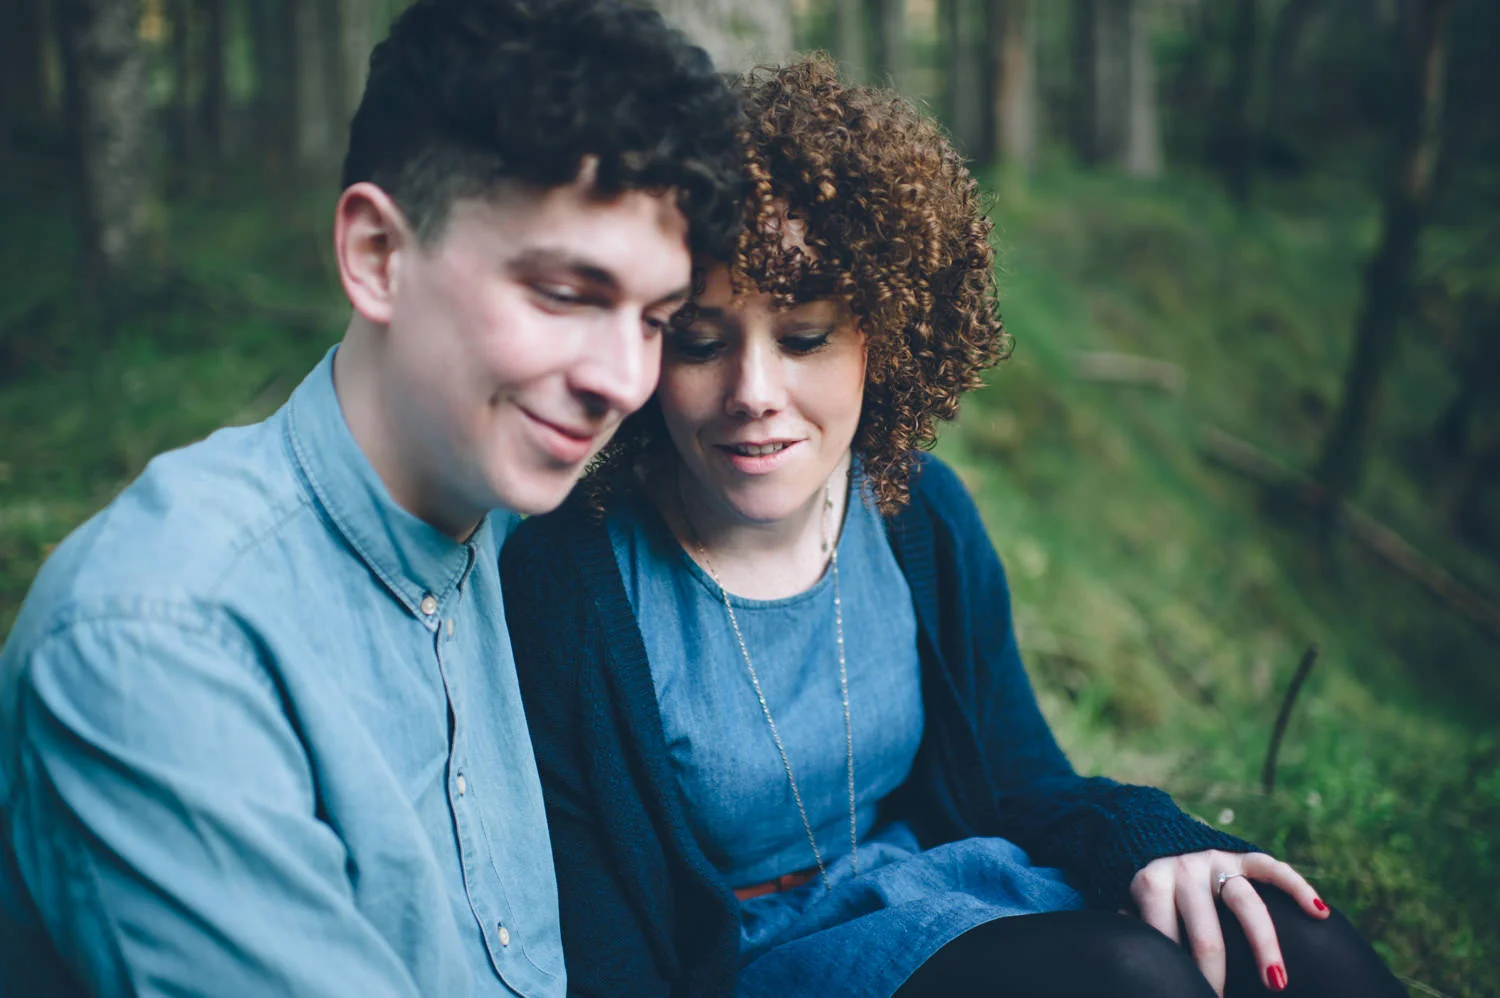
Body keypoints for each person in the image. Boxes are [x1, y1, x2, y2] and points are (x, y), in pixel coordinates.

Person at [499, 58, 1407, 998]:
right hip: (756, 964)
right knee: (1134, 982)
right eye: (698, 342)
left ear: (881, 337)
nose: (753, 395)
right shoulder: (571, 579)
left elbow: (1022, 780)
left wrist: (1155, 841)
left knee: (1306, 955)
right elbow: (600, 937)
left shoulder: (919, 513)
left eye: (805, 336)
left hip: (949, 892)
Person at [0, 2, 741, 995]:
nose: (621, 377)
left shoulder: (526, 516)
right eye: (566, 293)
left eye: (655, 320)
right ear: (377, 256)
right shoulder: (159, 642)